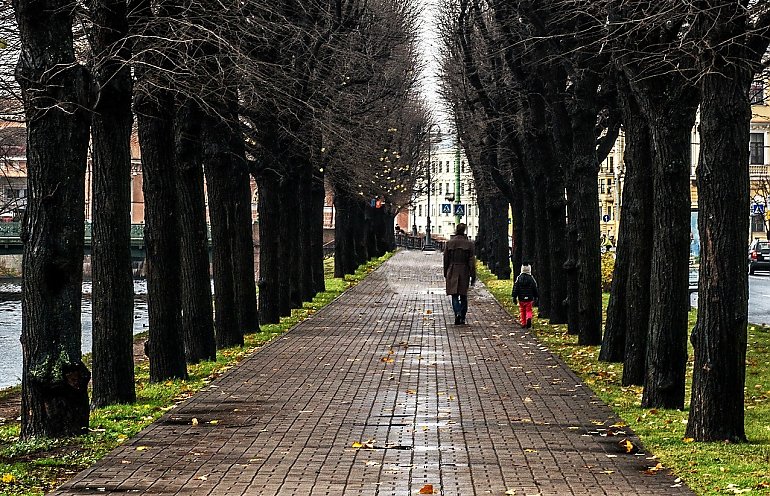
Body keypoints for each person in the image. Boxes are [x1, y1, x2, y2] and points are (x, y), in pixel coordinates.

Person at [443, 223, 476, 325]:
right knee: (463, 295)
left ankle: (457, 312)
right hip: (464, 270)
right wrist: (473, 275)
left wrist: (446, 272)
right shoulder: (469, 244)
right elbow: (471, 261)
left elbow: (446, 259)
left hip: (452, 269)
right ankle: (462, 316)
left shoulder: (450, 243)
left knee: (454, 294)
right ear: (464, 230)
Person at [512, 263, 538, 329]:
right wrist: (536, 296)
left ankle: (523, 323)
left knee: (522, 310)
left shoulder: (519, 278)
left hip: (521, 298)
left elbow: (516, 288)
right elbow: (534, 288)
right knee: (529, 310)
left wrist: (514, 296)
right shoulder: (531, 278)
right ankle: (528, 318)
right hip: (529, 298)